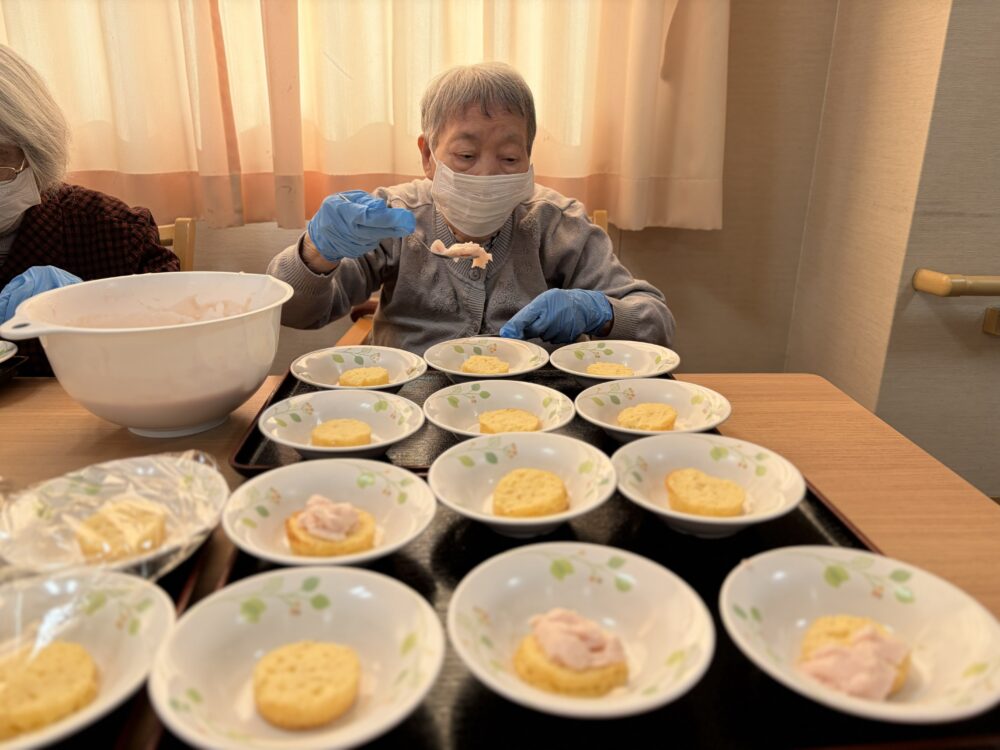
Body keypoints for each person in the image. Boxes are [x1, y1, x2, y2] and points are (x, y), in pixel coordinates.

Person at [268, 62, 674, 353]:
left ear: (530, 160)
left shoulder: (556, 223)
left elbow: (655, 322)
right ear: (428, 155)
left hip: (531, 401)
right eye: (465, 155)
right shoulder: (391, 217)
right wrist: (316, 254)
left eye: (510, 158)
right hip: (408, 399)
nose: (486, 176)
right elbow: (295, 313)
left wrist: (600, 312)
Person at [0, 45, 179, 374]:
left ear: (37, 153)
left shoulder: (113, 232)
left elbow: (181, 350)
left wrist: (98, 316)